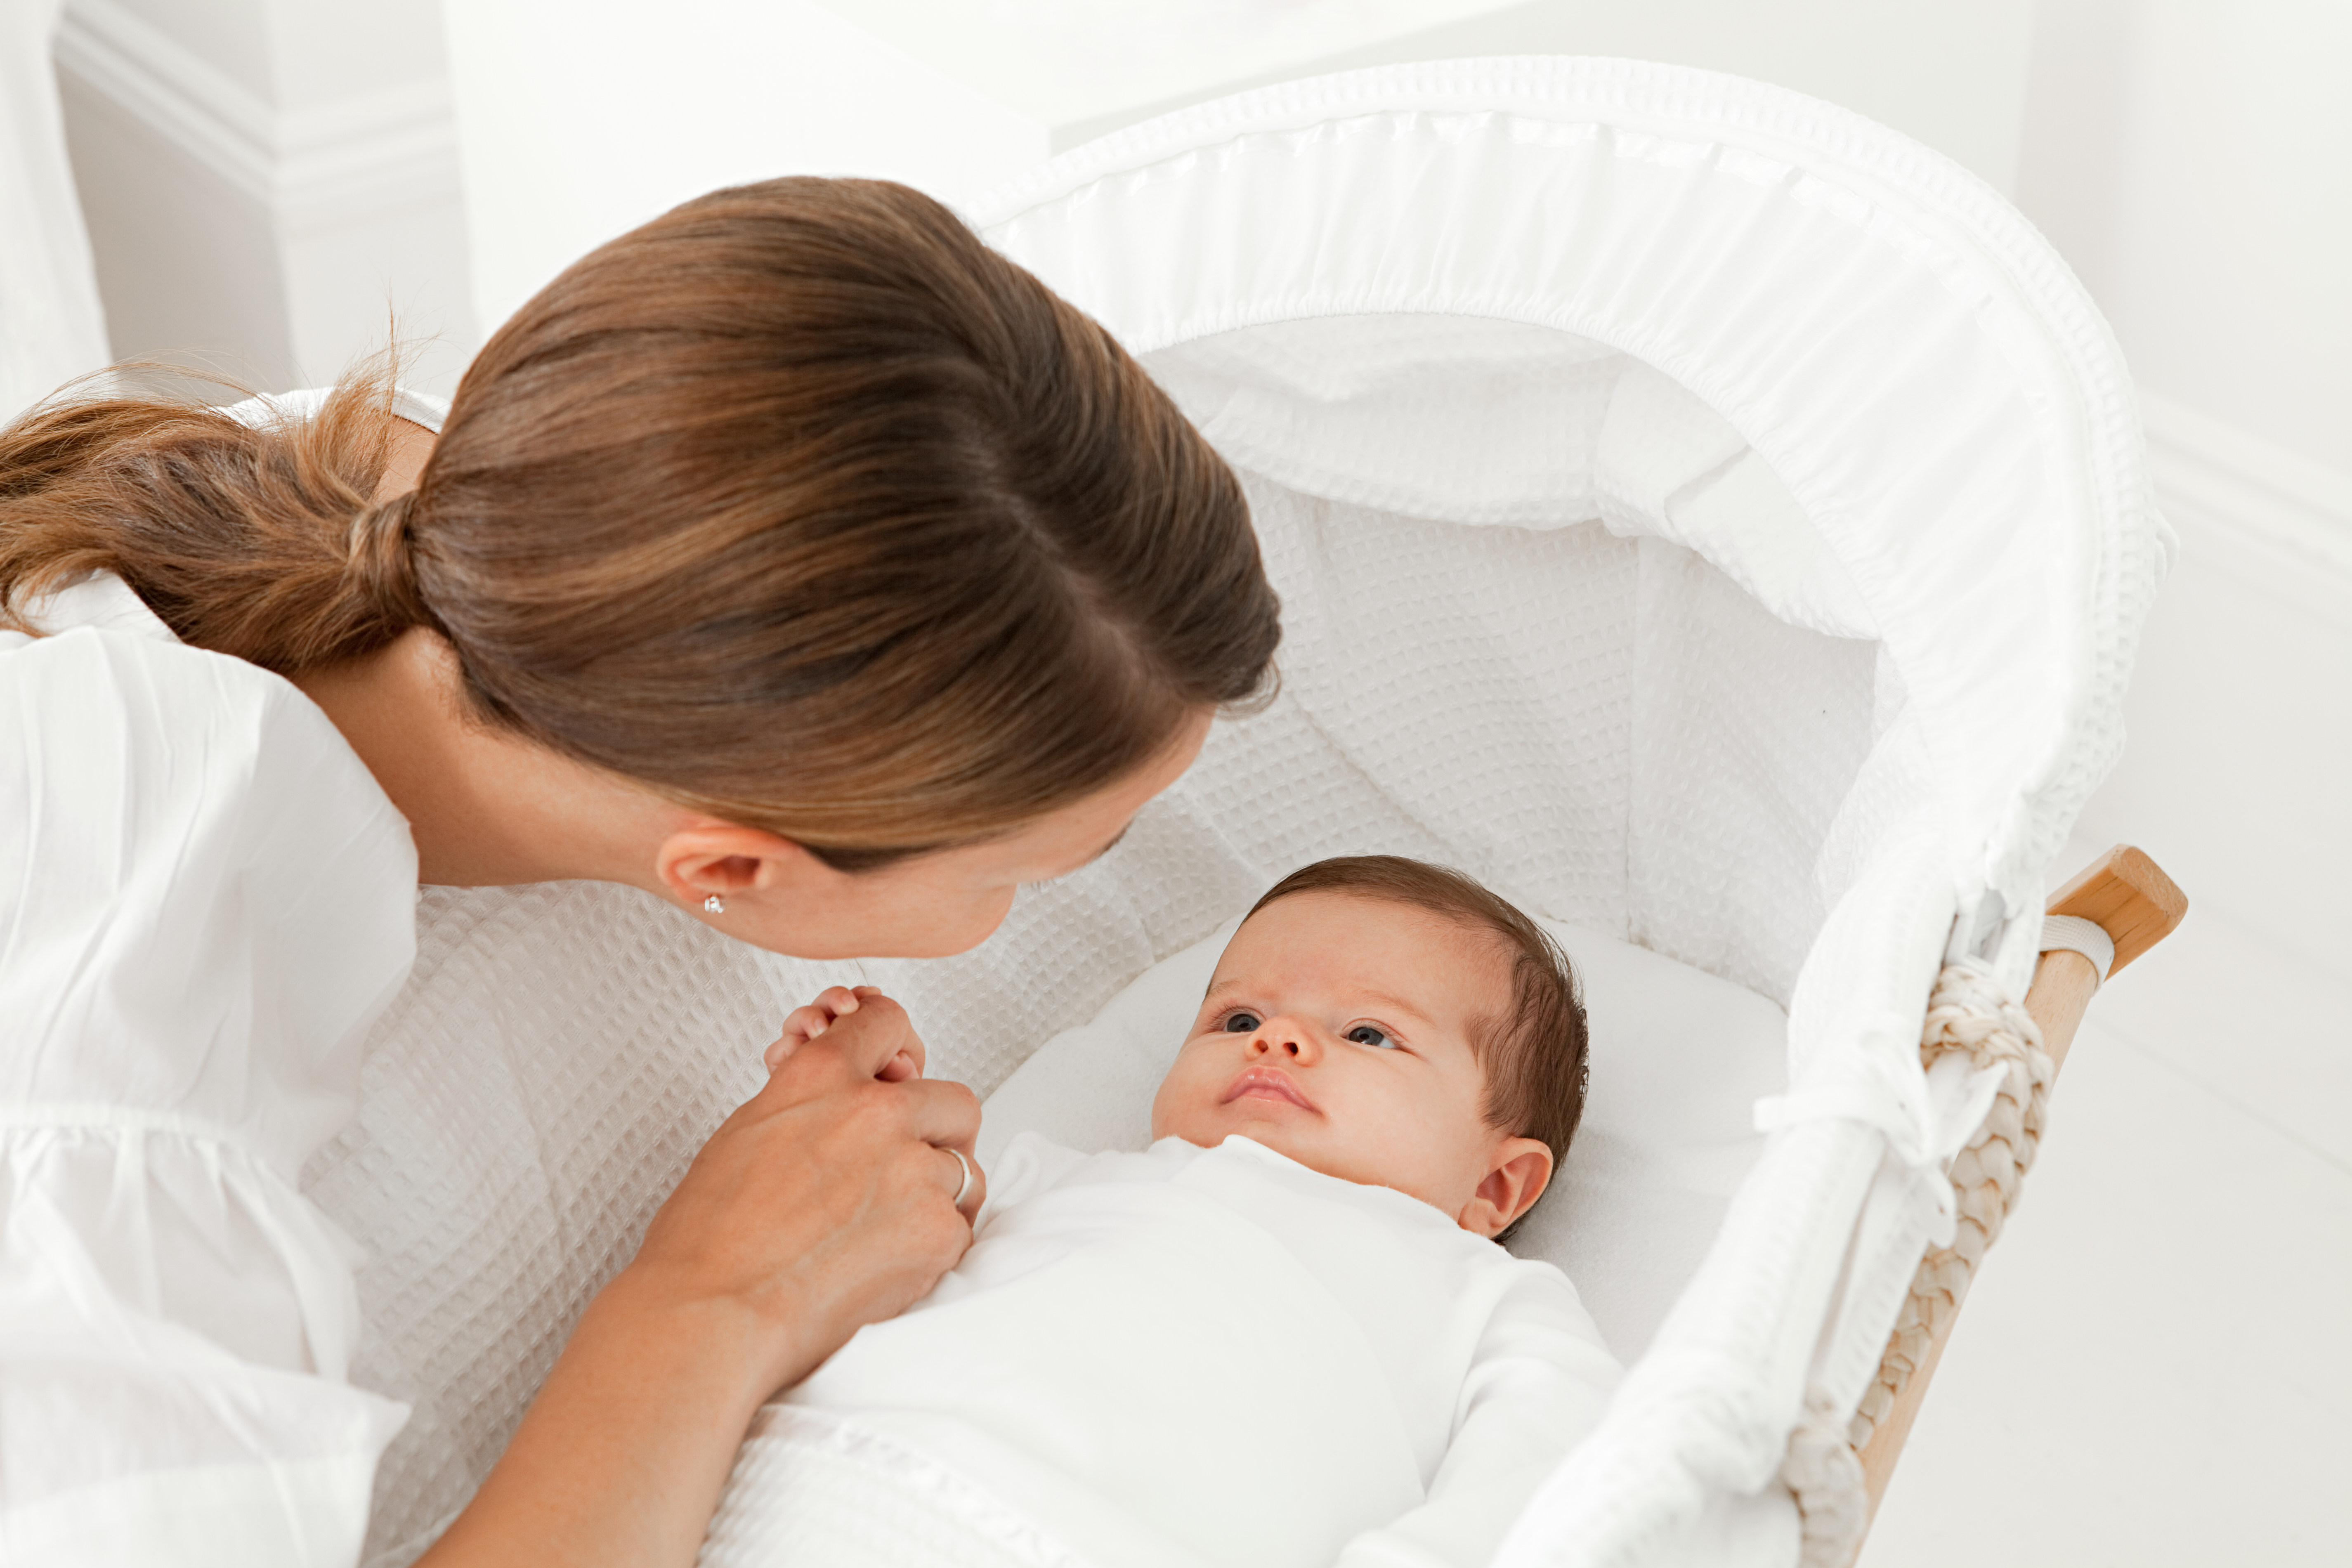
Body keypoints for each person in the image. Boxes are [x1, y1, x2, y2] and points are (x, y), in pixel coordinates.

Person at [0, 177, 1279, 1567]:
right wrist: (712, 1301)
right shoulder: (101, 1045)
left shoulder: (435, 498)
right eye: (1038, 868)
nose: (1065, 889)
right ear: (733, 870)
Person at [709, 856, 1619, 1568]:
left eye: (1368, 1033)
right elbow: (859, 1229)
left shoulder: (1488, 1299)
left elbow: (1548, 1492)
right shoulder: (1048, 1175)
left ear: (1496, 1188)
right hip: (808, 1483)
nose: (1276, 1038)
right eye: (1235, 1018)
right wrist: (850, 1100)